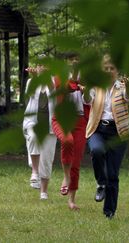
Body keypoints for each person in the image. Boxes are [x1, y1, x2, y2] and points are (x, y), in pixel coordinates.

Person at [84, 55, 129, 219]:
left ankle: (109, 211)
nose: (109, 71)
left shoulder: (123, 86)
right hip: (98, 129)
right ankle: (100, 183)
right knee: (96, 150)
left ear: (117, 71)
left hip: (118, 133)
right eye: (106, 68)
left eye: (112, 68)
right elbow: (87, 99)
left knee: (113, 174)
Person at [52, 52, 88, 210]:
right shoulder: (59, 76)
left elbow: (90, 100)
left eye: (77, 59)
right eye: (71, 60)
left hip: (80, 120)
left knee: (77, 160)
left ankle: (72, 200)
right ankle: (66, 177)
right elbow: (67, 89)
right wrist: (74, 78)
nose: (74, 62)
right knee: (67, 141)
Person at [23, 63, 57, 200]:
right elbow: (29, 95)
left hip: (50, 125)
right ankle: (35, 172)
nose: (42, 68)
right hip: (33, 122)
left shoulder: (54, 80)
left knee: (47, 159)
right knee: (33, 137)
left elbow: (52, 90)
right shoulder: (31, 81)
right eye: (39, 65)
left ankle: (44, 190)